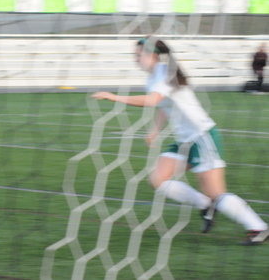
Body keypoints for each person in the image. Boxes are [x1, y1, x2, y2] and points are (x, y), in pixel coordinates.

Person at [92, 36, 268, 245]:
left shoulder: (164, 73)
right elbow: (163, 105)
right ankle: (204, 204)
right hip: (184, 141)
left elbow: (152, 101)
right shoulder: (153, 77)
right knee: (158, 179)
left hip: (202, 137)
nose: (136, 59)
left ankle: (258, 227)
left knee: (217, 193)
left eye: (139, 55)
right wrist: (155, 130)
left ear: (152, 55)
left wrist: (114, 97)